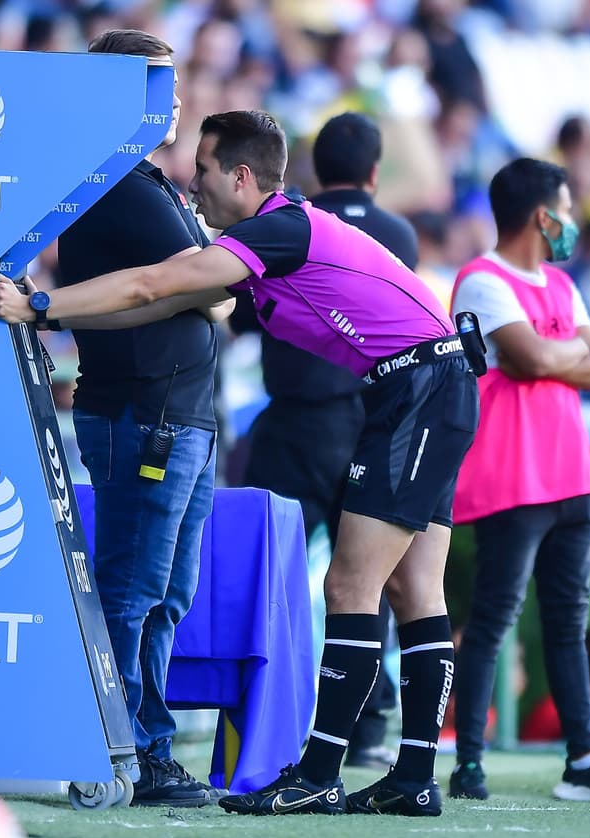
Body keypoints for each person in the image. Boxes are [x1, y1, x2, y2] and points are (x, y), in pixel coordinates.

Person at [0, 109, 479, 817]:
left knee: (352, 583)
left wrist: (38, 303)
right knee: (417, 593)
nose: (191, 180)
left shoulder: (275, 229)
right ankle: (412, 777)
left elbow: (149, 284)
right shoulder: (276, 239)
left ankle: (321, 770)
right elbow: (158, 299)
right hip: (430, 386)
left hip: (416, 391)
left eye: (202, 169)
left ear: (240, 177)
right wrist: (50, 316)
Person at [54, 29, 231, 807]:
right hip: (141, 414)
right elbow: (218, 285)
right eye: (158, 86)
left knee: (166, 592)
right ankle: (125, 747)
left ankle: (147, 741)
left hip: (180, 414)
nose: (178, 102)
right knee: (133, 588)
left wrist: (207, 281)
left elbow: (218, 285)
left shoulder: (150, 182)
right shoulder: (110, 184)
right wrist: (208, 281)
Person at [446, 157, 590, 804]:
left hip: (572, 474)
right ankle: (468, 762)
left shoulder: (560, 286)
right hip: (512, 474)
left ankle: (584, 759)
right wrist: (565, 355)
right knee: (492, 621)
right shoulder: (480, 280)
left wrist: (551, 356)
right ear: (544, 215)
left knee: (567, 624)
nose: (572, 221)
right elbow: (538, 359)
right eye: (566, 206)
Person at [231, 111, 419, 771]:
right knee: (365, 581)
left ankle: (259, 715)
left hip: (289, 421)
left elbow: (247, 312)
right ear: (374, 170)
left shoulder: (286, 226)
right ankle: (366, 724)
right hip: (363, 421)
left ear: (312, 169)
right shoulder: (396, 233)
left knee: (269, 576)